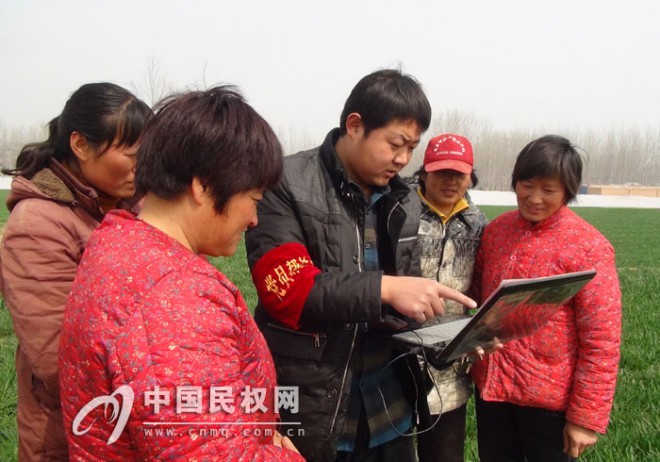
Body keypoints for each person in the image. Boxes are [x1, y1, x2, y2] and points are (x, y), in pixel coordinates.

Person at [58, 86, 304, 461]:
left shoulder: (120, 245)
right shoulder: (174, 297)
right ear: (202, 185)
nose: (255, 219)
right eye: (253, 200)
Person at [245, 69, 478, 462]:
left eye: (412, 148)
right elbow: (289, 292)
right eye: (395, 144)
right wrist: (384, 288)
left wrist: (461, 337)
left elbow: (405, 305)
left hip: (390, 406)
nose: (403, 160)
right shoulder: (285, 183)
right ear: (355, 125)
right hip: (316, 404)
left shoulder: (403, 200)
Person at [0, 82, 151, 461]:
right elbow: (59, 357)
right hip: (69, 433)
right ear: (80, 145)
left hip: (126, 418)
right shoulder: (37, 225)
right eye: (132, 155)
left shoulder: (128, 209)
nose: (141, 168)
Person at [470, 135, 622, 461]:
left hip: (549, 402)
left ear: (569, 190)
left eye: (549, 190)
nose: (535, 198)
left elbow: (602, 339)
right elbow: (476, 302)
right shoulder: (496, 232)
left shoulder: (588, 247)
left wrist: (585, 418)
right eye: (526, 185)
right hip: (493, 392)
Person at [410, 134, 488, 462]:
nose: (450, 181)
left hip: (450, 371)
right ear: (424, 172)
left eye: (459, 174)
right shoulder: (399, 212)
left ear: (470, 176)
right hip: (394, 361)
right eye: (441, 172)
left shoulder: (478, 224)